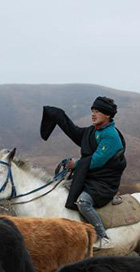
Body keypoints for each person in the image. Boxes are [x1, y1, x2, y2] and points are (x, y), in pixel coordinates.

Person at [40, 96, 126, 250]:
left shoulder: (111, 136)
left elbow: (96, 161)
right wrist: (59, 115)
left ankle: (102, 236)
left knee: (83, 202)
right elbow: (75, 133)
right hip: (90, 177)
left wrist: (76, 163)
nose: (93, 114)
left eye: (97, 111)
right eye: (92, 111)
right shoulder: (93, 131)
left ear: (107, 115)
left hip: (103, 183)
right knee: (59, 188)